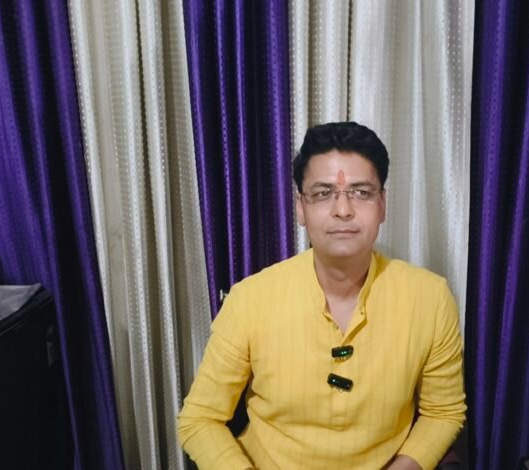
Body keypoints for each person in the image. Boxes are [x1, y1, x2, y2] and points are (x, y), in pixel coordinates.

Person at [178, 122, 466, 470]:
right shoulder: (250, 300)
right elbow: (200, 419)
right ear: (300, 207)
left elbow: (443, 412)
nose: (343, 210)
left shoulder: (430, 299)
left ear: (382, 205)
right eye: (323, 193)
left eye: (361, 192)